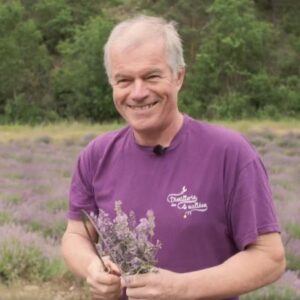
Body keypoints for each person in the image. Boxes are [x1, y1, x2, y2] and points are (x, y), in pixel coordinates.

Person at [61, 15, 286, 300]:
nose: (138, 92)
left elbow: (269, 258)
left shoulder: (230, 153)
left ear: (178, 76)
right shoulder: (96, 156)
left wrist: (181, 288)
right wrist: (92, 268)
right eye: (124, 80)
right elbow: (76, 236)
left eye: (152, 76)